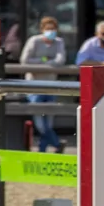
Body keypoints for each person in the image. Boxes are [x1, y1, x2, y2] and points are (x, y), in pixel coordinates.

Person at [19, 16, 66, 153]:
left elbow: (60, 59)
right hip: (35, 86)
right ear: (42, 30)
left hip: (51, 85)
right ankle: (57, 144)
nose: (51, 32)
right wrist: (46, 60)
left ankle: (42, 149)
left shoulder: (59, 42)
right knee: (40, 122)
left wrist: (45, 63)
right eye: (48, 29)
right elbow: (25, 60)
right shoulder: (34, 41)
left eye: (53, 29)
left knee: (49, 120)